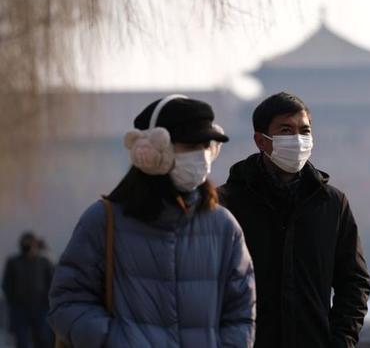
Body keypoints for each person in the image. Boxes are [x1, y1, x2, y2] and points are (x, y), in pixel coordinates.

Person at [47, 95, 256, 347]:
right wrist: (115, 341)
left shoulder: (223, 226)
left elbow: (241, 312)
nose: (201, 156)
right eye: (190, 145)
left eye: (205, 146)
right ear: (153, 150)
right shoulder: (104, 220)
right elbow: (69, 301)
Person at [218, 92, 370, 347]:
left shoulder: (331, 204)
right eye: (286, 130)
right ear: (261, 140)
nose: (298, 140)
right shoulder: (228, 203)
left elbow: (354, 283)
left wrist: (341, 340)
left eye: (305, 131)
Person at [2, 232, 54, 348]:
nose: (28, 247)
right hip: (20, 310)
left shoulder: (43, 262)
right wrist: (13, 303)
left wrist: (48, 302)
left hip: (41, 309)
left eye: (30, 244)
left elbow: (52, 282)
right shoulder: (13, 262)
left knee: (43, 339)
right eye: (25, 244)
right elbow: (7, 285)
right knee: (22, 341)